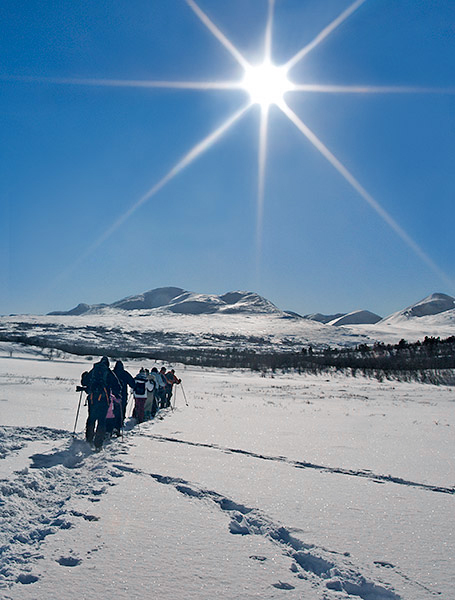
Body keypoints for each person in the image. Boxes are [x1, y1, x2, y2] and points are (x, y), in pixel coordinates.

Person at [82, 356, 120, 451]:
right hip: (104, 400)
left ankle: (89, 439)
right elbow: (117, 386)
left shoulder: (94, 370)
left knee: (91, 418)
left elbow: (84, 382)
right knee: (101, 420)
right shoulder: (108, 372)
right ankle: (98, 444)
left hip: (92, 399)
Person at [113, 360, 135, 427]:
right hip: (123, 394)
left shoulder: (112, 373)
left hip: (112, 395)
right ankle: (119, 424)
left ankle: (111, 425)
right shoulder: (125, 373)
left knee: (112, 410)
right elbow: (132, 383)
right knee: (121, 409)